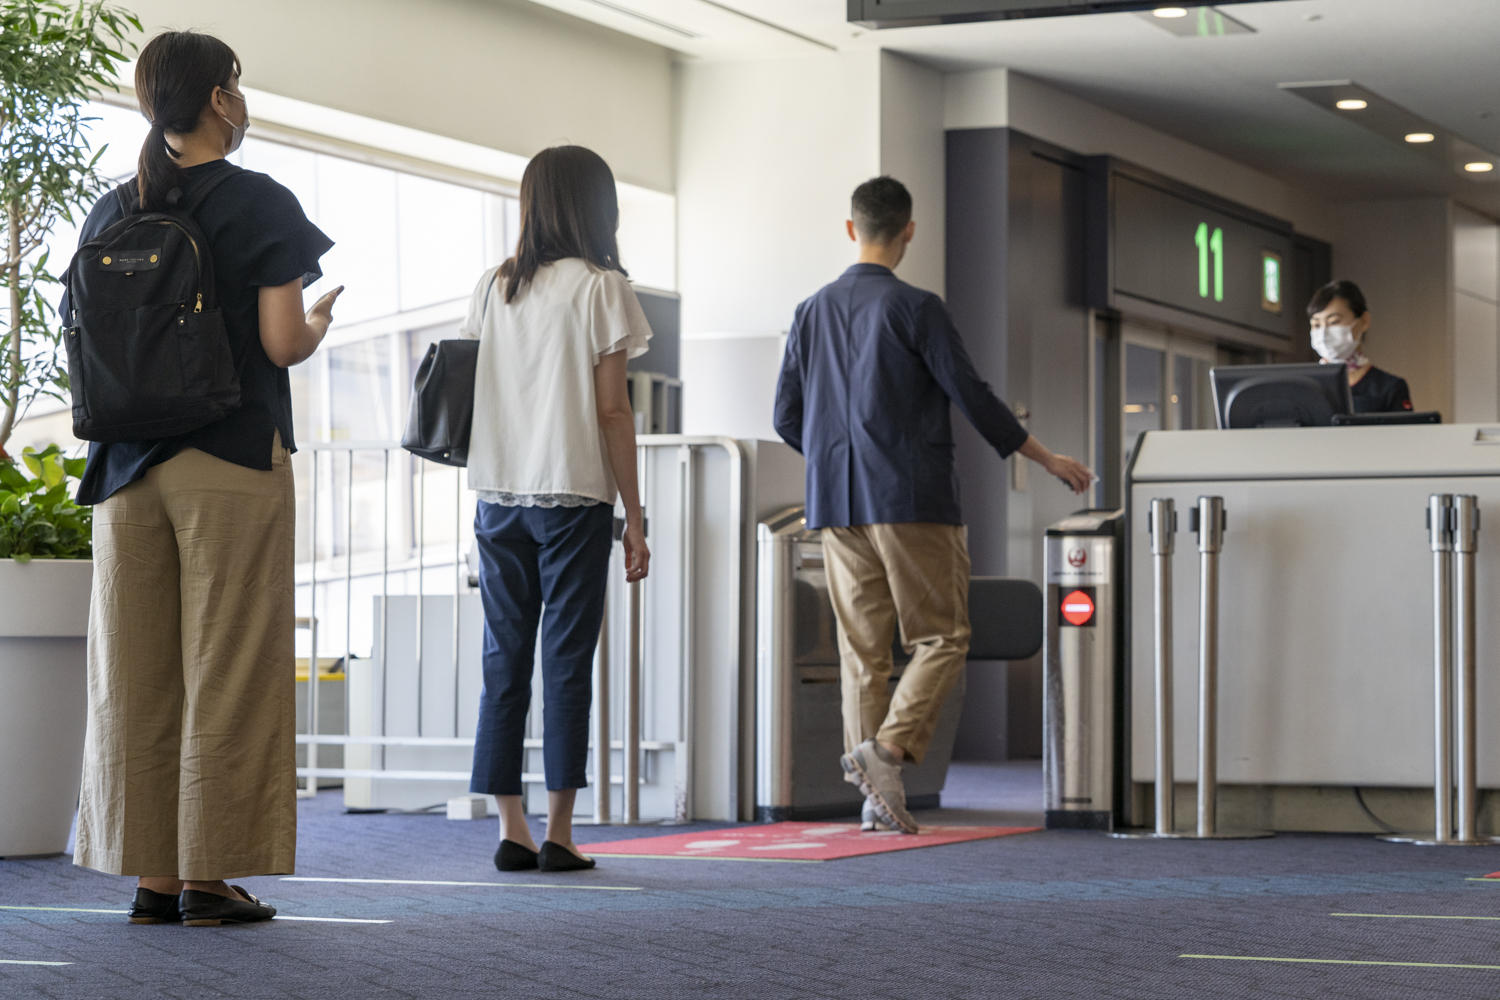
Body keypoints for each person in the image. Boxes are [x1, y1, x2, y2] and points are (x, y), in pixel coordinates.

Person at [69, 31, 338, 925]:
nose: (242, 97)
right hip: (225, 457)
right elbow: (280, 344)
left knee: (136, 675)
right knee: (228, 668)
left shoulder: (112, 208)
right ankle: (210, 875)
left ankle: (150, 873)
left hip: (121, 472)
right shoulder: (259, 201)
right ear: (221, 99)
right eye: (239, 84)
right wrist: (321, 322)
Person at [773, 176, 1092, 834]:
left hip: (834, 501)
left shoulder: (810, 310)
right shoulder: (917, 307)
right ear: (909, 231)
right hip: (910, 496)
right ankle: (885, 752)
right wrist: (1047, 458)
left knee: (865, 654)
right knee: (944, 636)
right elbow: (971, 394)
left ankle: (875, 799)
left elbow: (786, 415)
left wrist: (838, 458)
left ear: (850, 228)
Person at [462, 145, 651, 873]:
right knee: (566, 660)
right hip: (572, 494)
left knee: (503, 659)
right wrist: (635, 514)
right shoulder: (602, 288)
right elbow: (612, 411)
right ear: (597, 206)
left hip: (497, 495)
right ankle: (562, 832)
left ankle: (511, 826)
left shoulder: (493, 286)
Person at [1306, 279, 1412, 413]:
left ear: (1364, 321)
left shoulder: (1389, 387)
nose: (1323, 333)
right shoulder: (1305, 386)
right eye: (1316, 325)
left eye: (1333, 322)